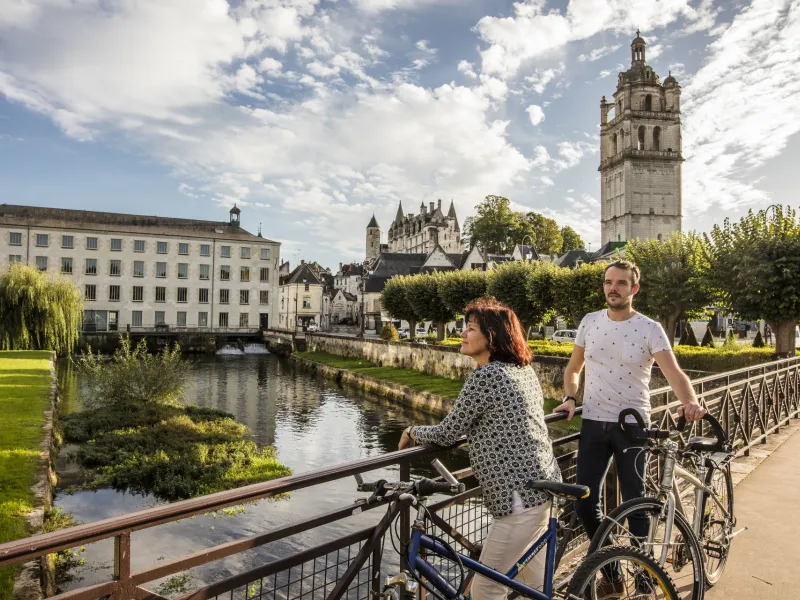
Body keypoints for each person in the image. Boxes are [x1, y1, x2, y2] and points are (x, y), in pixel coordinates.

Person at [552, 259, 706, 598]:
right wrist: (570, 397)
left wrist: (690, 401)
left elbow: (674, 373)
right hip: (593, 422)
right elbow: (574, 367)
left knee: (636, 503)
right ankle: (610, 572)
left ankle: (645, 578)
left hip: (633, 426)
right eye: (609, 282)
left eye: (621, 283)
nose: (613, 288)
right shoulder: (590, 322)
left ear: (633, 289)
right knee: (584, 503)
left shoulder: (649, 328)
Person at [398, 297, 561, 599]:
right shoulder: (523, 370)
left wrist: (411, 430)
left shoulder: (486, 375)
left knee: (486, 589)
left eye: (470, 328)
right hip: (542, 489)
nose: (463, 334)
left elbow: (447, 433)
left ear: (492, 336)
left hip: (517, 499)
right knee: (534, 588)